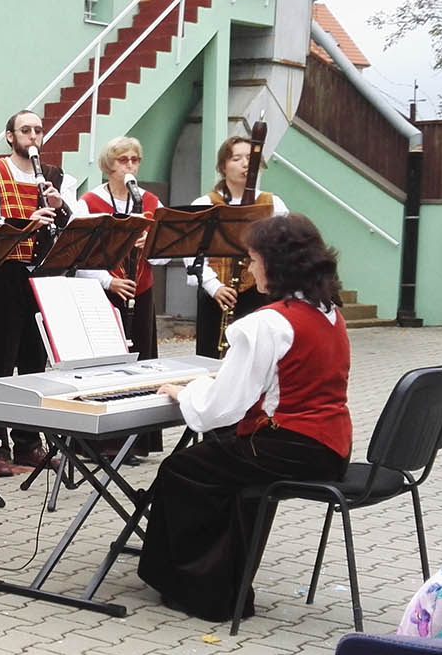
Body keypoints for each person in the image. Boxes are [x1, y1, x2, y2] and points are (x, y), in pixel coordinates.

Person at [138, 213, 351, 623]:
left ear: (276, 263)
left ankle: (197, 590)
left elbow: (222, 407)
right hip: (330, 447)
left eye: (253, 260)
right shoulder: (328, 311)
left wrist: (186, 392)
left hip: (289, 447)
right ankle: (223, 582)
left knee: (181, 469)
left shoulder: (267, 323)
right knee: (219, 462)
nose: (250, 270)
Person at [0, 110, 78, 477]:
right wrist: (26, 224)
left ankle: (29, 444)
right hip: (6, 274)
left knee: (35, 364)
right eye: (25, 130)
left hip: (43, 275)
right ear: (10, 136)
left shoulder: (57, 178)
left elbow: (74, 226)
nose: (33, 136)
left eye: (38, 130)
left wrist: (59, 207)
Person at [78, 136, 162, 457]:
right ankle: (104, 443)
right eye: (123, 160)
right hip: (105, 293)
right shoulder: (90, 202)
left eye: (134, 160)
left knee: (141, 365)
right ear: (108, 166)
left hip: (140, 291)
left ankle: (137, 441)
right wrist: (108, 281)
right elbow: (79, 256)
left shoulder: (151, 201)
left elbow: (167, 255)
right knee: (107, 368)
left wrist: (151, 245)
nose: (130, 166)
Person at [190, 135, 290, 359]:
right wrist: (213, 286)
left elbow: (283, 251)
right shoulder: (205, 204)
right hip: (216, 293)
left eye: (250, 158)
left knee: (256, 355)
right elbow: (193, 254)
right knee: (211, 356)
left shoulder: (273, 204)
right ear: (223, 166)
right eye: (236, 158)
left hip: (258, 292)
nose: (245, 164)